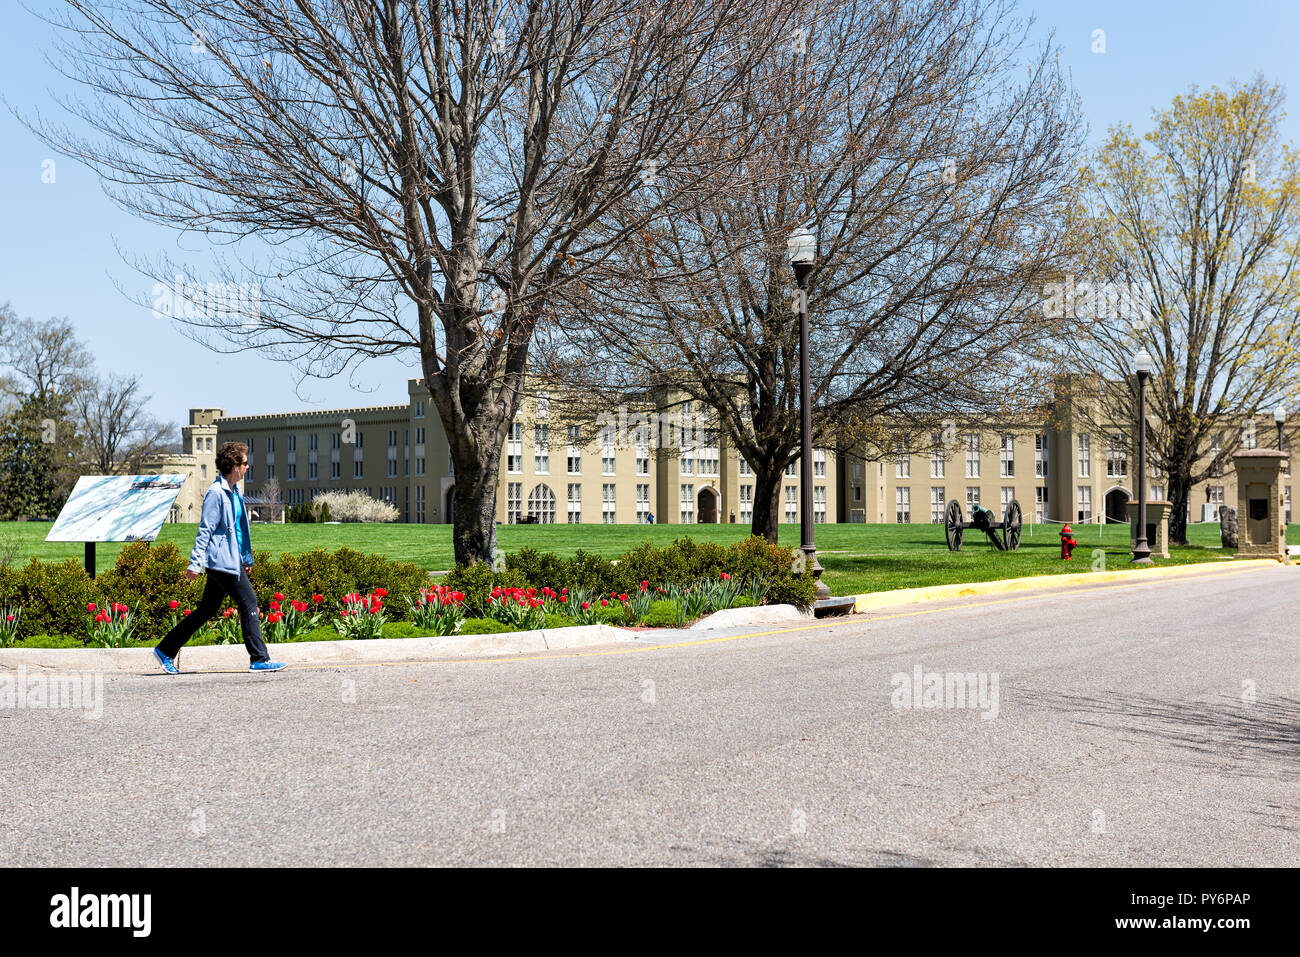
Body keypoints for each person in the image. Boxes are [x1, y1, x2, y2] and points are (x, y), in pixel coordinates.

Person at [153, 441, 286, 674]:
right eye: (244, 463)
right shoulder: (216, 493)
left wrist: (246, 559)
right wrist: (194, 564)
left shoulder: (234, 492)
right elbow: (205, 530)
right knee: (249, 602)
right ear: (234, 466)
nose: (248, 467)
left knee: (206, 610)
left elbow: (239, 530)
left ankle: (165, 650)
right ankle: (259, 658)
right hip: (221, 563)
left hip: (230, 561)